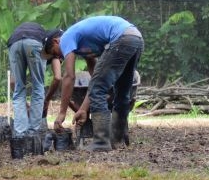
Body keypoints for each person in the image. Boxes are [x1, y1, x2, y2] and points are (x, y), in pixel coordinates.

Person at [43, 15, 144, 151]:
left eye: (55, 53)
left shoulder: (66, 37)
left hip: (122, 38)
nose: (59, 57)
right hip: (135, 38)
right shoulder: (84, 45)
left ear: (56, 41)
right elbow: (96, 77)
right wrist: (83, 109)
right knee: (122, 91)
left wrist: (62, 113)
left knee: (99, 89)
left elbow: (69, 76)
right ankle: (118, 139)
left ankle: (101, 142)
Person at [7, 23, 62, 136]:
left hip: (14, 43)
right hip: (35, 43)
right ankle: (33, 133)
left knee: (19, 90)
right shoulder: (55, 48)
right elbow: (57, 77)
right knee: (38, 87)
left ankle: (20, 134)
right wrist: (46, 100)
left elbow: (13, 82)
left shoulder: (50, 41)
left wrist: (24, 105)